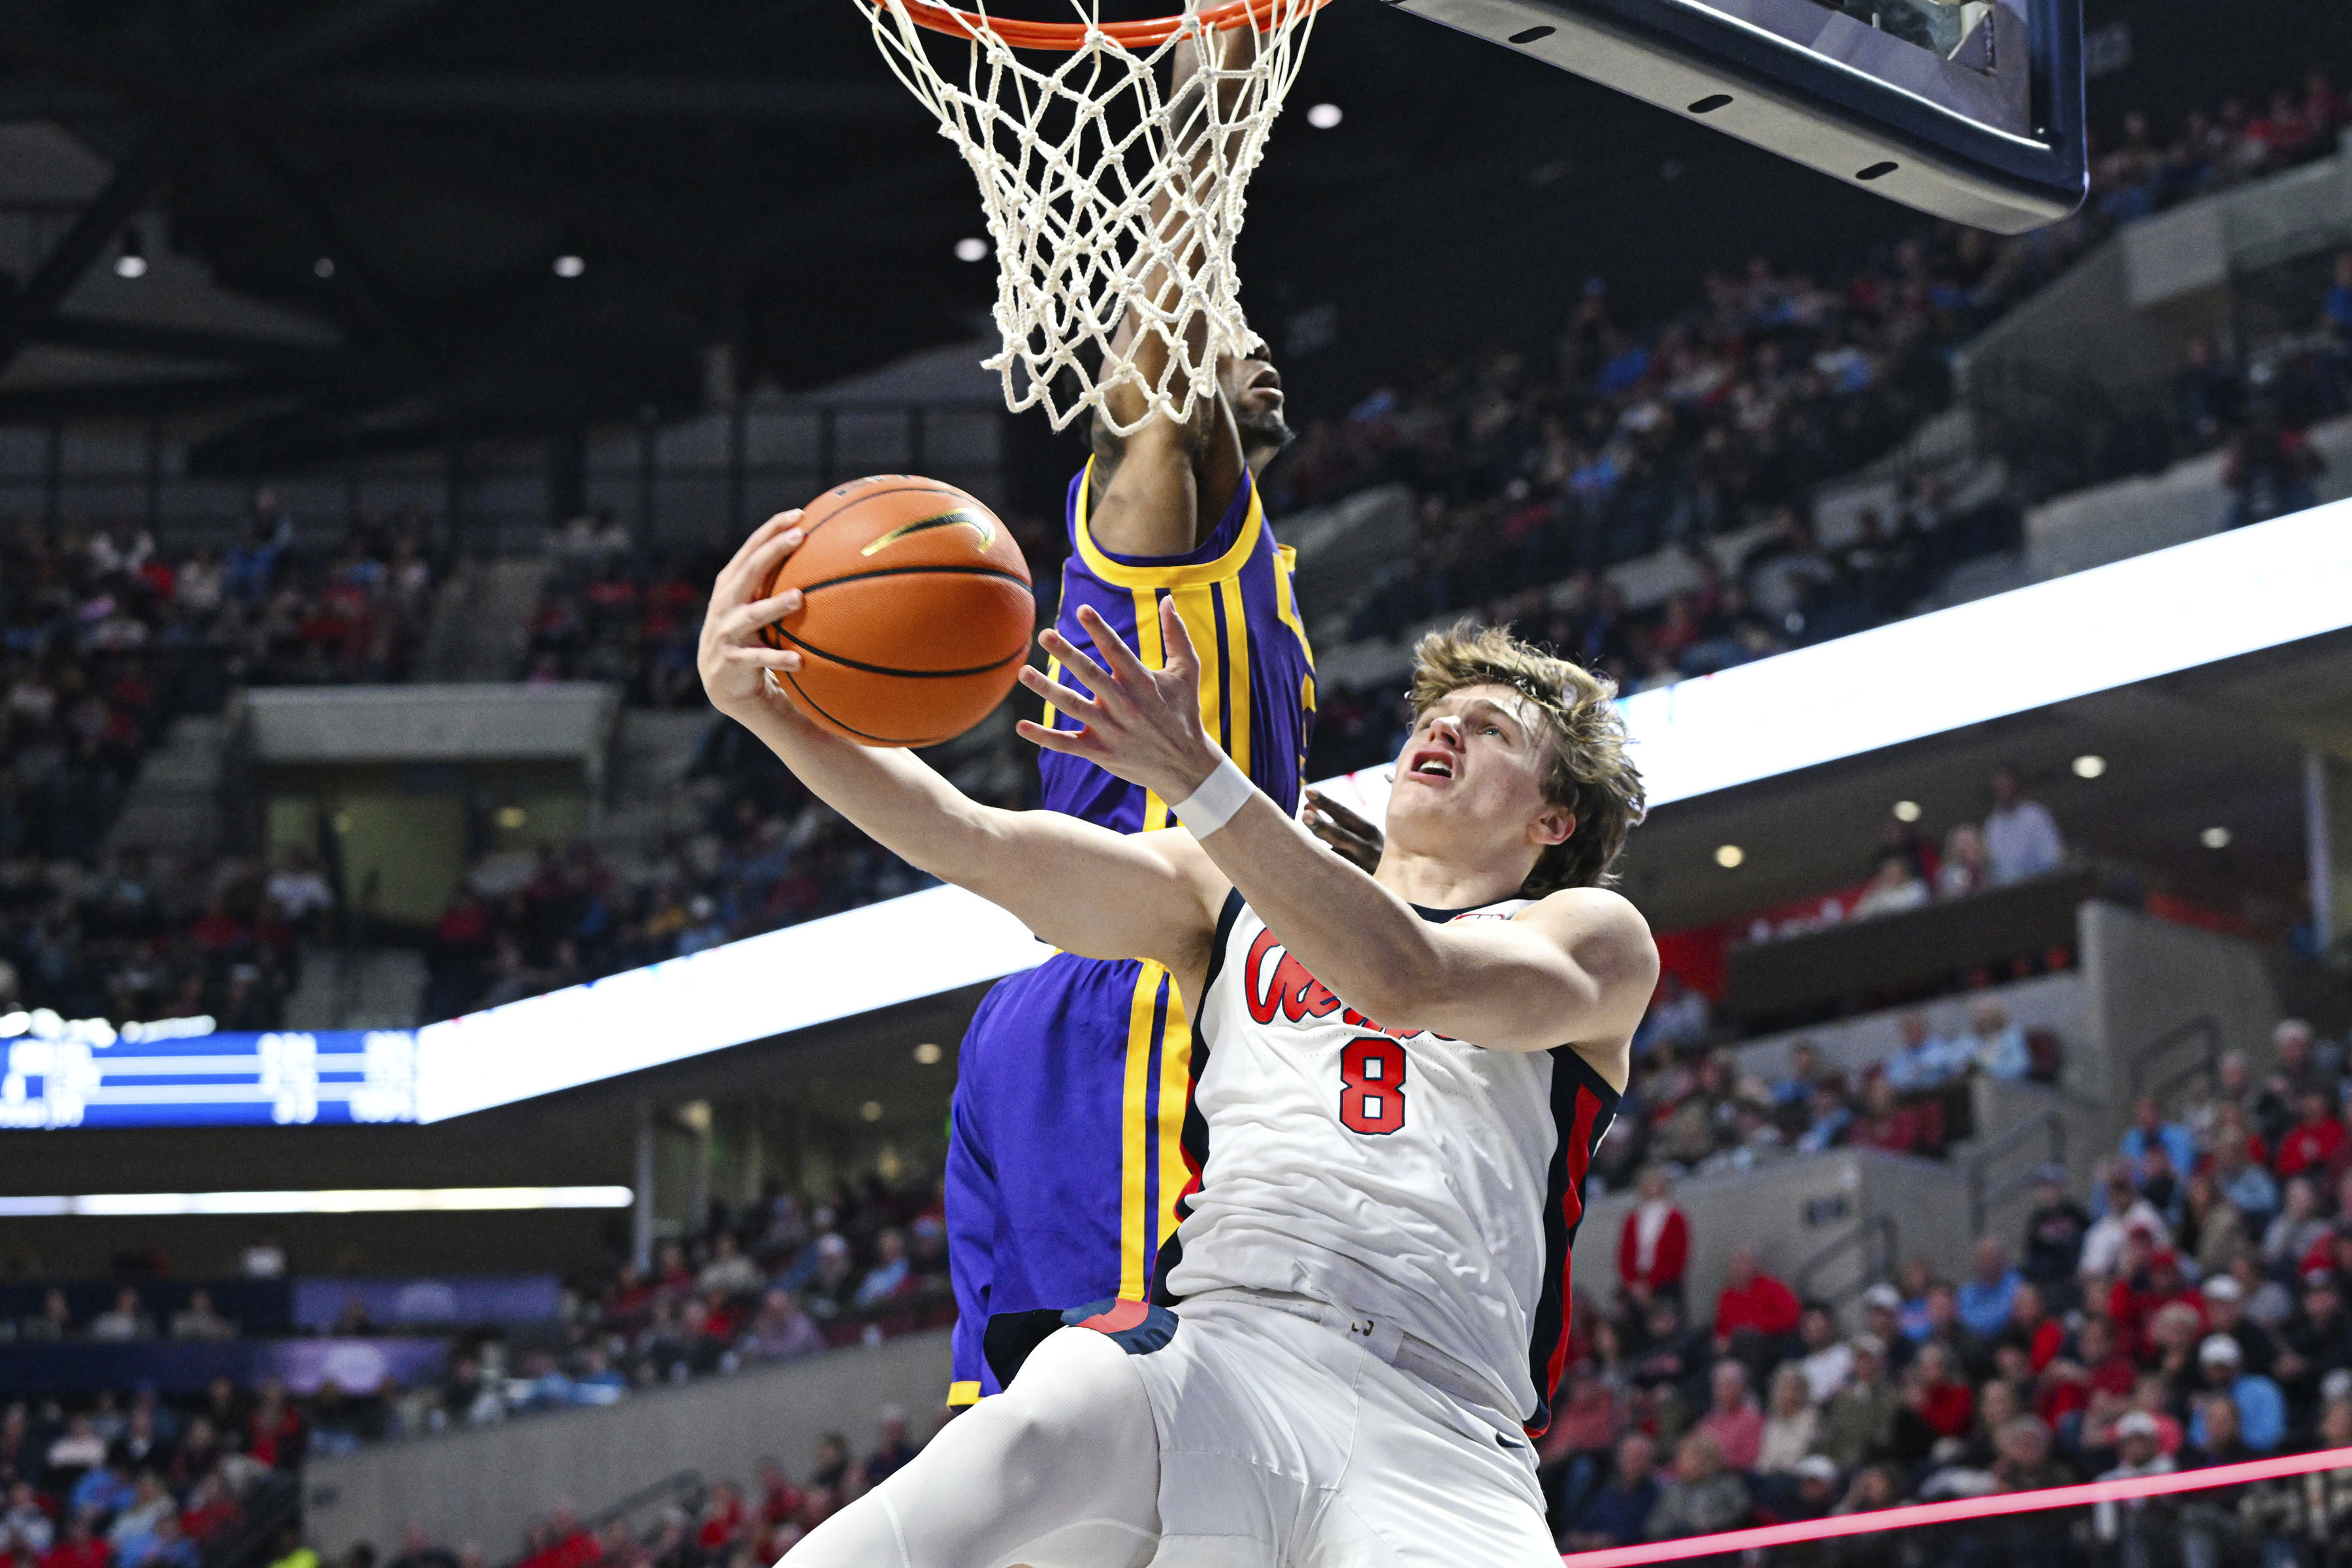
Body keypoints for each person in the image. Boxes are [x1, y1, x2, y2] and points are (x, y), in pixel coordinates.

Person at [703, 506, 1656, 1563]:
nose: (1447, 730)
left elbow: (1407, 977)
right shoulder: (1224, 890)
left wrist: (1201, 779)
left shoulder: (1590, 935)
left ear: (1554, 822)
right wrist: (776, 710)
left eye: (1494, 731)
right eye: (1440, 716)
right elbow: (976, 842)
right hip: (1220, 1355)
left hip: (1444, 1428)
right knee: (985, 1466)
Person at [938, 23, 1323, 1413]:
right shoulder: (1148, 535)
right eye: (1232, 327)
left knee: (1033, 1428)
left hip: (1089, 989)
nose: (1254, 345)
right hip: (1141, 980)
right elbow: (1141, 390)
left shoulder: (1256, 564)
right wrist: (1208, 120)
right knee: (1156, 1387)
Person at [1558, 1431, 1660, 1553]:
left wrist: (1607, 1542)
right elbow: (1577, 1530)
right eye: (1629, 1457)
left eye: (1639, 1458)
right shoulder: (1606, 1492)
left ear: (1650, 1462)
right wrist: (1584, 1540)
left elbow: (1640, 1537)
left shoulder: (1656, 1496)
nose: (1633, 1463)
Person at [1616, 1166, 1689, 1309]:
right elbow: (1625, 1253)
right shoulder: (1633, 1219)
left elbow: (1677, 1255)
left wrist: (1652, 1282)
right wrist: (1634, 1283)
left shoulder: (1674, 1217)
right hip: (1637, 1285)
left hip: (1666, 1284)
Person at [1982, 767, 2063, 885]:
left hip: (2041, 884)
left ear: (2015, 786)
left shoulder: (2036, 815)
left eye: (2006, 786)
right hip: (2006, 892)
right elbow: (1992, 869)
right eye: (1999, 787)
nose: (2003, 790)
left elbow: (2052, 858)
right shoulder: (1992, 825)